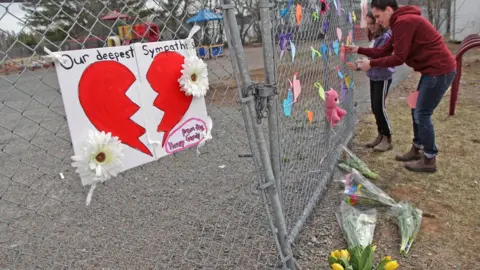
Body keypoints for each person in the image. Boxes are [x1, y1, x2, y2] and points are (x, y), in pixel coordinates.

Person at [345, 0, 456, 173]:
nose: (377, 20)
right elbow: (383, 51)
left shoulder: (404, 22)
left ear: (388, 10)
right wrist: (358, 49)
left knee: (422, 113)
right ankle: (417, 148)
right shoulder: (399, 23)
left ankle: (429, 159)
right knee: (415, 109)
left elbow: (398, 58)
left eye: (378, 16)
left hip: (439, 71)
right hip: (431, 71)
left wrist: (371, 64)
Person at [347, 11, 395, 152]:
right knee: (375, 107)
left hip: (383, 77)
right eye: (367, 24)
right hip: (374, 76)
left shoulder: (386, 37)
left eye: (371, 23)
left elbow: (379, 58)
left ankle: (388, 137)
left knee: (380, 107)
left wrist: (360, 64)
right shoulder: (376, 37)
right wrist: (359, 66)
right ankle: (380, 135)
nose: (370, 26)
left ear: (379, 22)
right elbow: (372, 58)